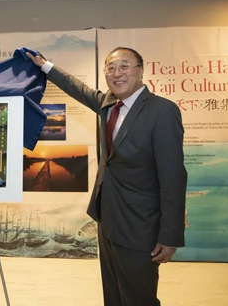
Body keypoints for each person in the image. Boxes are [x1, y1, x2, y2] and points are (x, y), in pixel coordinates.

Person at [28, 47, 187, 306]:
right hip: (108, 219)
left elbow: (173, 177)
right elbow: (77, 89)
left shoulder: (162, 111)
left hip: (140, 225)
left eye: (124, 66)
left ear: (140, 71)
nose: (117, 73)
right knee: (113, 296)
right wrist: (45, 66)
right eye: (111, 68)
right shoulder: (108, 104)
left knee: (138, 298)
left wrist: (170, 236)